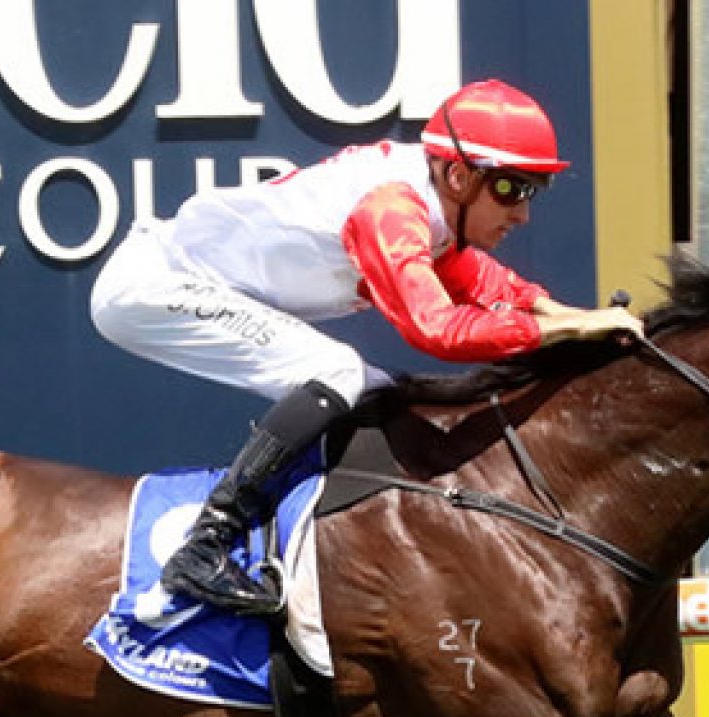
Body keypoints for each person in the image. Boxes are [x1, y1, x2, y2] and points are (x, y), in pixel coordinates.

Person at [89, 79, 644, 618]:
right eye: (511, 189)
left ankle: (312, 547)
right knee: (336, 372)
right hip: (154, 286)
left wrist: (565, 313)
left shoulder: (432, 196)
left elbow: (475, 278)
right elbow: (439, 330)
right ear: (457, 174)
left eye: (532, 191)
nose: (522, 212)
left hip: (198, 283)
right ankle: (205, 546)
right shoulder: (389, 210)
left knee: (378, 392)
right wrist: (563, 331)